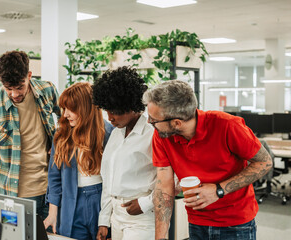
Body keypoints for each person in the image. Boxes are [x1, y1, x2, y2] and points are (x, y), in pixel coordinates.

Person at [143, 80, 273, 240]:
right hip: (197, 222)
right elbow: (164, 186)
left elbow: (265, 162)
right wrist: (160, 237)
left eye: (153, 119)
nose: (149, 122)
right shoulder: (162, 136)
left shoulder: (228, 126)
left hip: (236, 224)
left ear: (177, 123)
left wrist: (219, 190)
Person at [0, 50, 60, 219]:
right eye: (8, 88)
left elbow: (66, 117)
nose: (14, 94)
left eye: (20, 87)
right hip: (15, 196)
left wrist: (59, 140)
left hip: (52, 191)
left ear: (29, 75)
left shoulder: (47, 91)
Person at [92, 66, 156, 240]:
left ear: (132, 105)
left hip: (142, 217)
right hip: (116, 215)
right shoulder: (116, 133)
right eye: (107, 110)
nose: (110, 117)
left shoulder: (152, 134)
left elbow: (170, 180)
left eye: (116, 111)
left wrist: (145, 203)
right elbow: (108, 180)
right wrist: (104, 220)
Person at [44, 82, 113, 240]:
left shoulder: (108, 132)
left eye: (71, 109)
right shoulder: (61, 135)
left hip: (101, 199)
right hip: (71, 201)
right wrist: (53, 213)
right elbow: (54, 178)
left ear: (85, 108)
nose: (65, 115)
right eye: (64, 109)